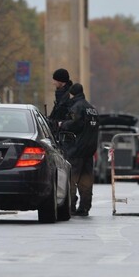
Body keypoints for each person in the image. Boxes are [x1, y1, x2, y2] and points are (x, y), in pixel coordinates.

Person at [59, 83, 99, 216]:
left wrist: (62, 124)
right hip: (89, 150)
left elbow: (74, 124)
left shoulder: (76, 107)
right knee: (86, 180)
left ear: (72, 94)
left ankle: (70, 206)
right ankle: (85, 207)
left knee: (72, 179)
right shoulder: (92, 109)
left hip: (76, 149)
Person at [48, 68, 73, 136]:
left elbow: (62, 114)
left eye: (55, 80)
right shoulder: (62, 94)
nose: (53, 83)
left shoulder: (67, 96)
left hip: (64, 133)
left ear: (60, 81)